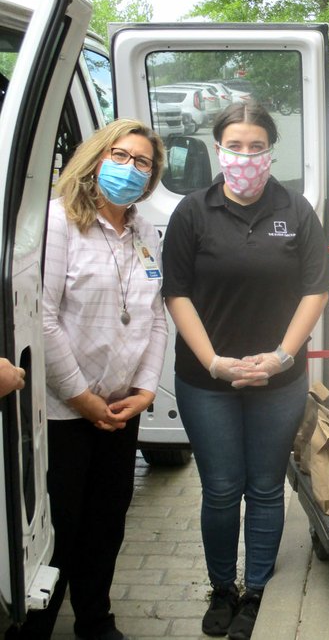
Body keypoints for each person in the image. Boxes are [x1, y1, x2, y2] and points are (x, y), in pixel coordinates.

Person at [161, 102, 329, 640]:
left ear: (271, 151)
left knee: (263, 488)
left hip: (278, 380)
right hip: (205, 380)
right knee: (219, 488)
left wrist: (283, 356)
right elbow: (176, 292)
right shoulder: (192, 211)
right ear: (218, 149)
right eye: (234, 146)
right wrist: (214, 361)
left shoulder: (296, 210)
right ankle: (222, 588)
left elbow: (317, 289)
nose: (244, 156)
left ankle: (257, 589)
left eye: (255, 147)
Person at [7, 119, 168, 640]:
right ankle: (38, 627)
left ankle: (95, 618)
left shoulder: (143, 230)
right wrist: (82, 397)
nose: (130, 169)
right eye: (120, 156)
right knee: (62, 529)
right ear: (95, 159)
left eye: (142, 162)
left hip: (121, 409)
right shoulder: (58, 223)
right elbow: (43, 316)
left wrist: (144, 390)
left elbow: (156, 316)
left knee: (108, 520)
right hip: (62, 411)